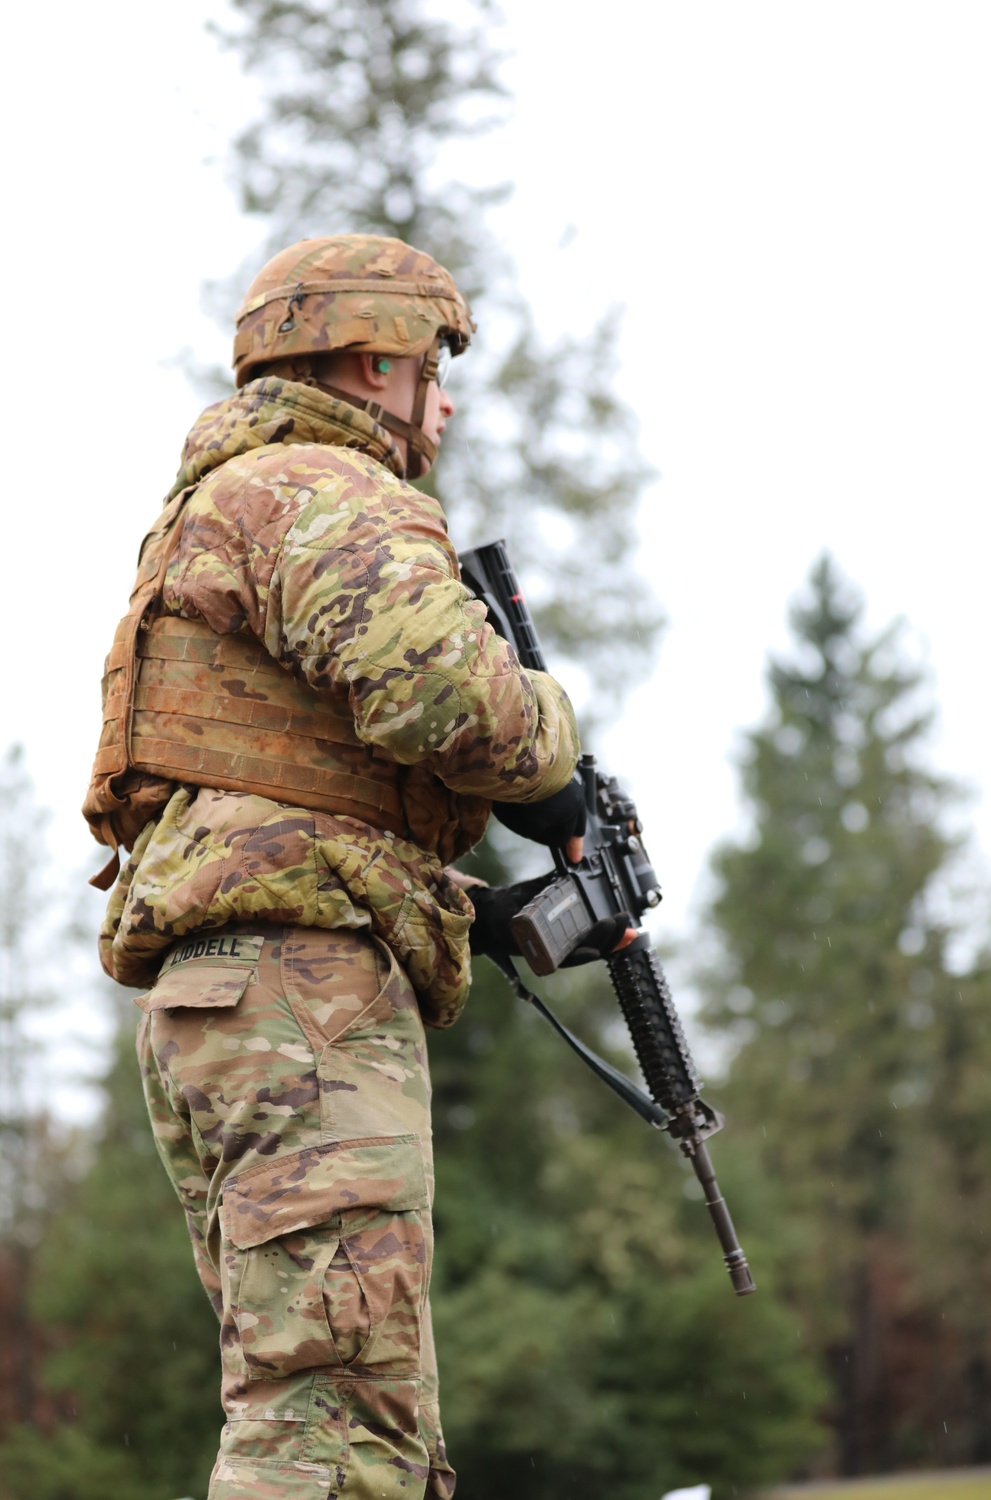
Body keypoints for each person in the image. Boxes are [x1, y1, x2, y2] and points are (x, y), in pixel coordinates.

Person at [83, 234, 629, 1500]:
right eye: (434, 367)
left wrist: (474, 914)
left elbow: (274, 810)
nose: (444, 401)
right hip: (299, 1004)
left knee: (340, 1400)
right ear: (370, 359)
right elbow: (455, 698)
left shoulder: (216, 511)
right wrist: (555, 757)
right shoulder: (326, 487)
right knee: (331, 1425)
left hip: (227, 1003)